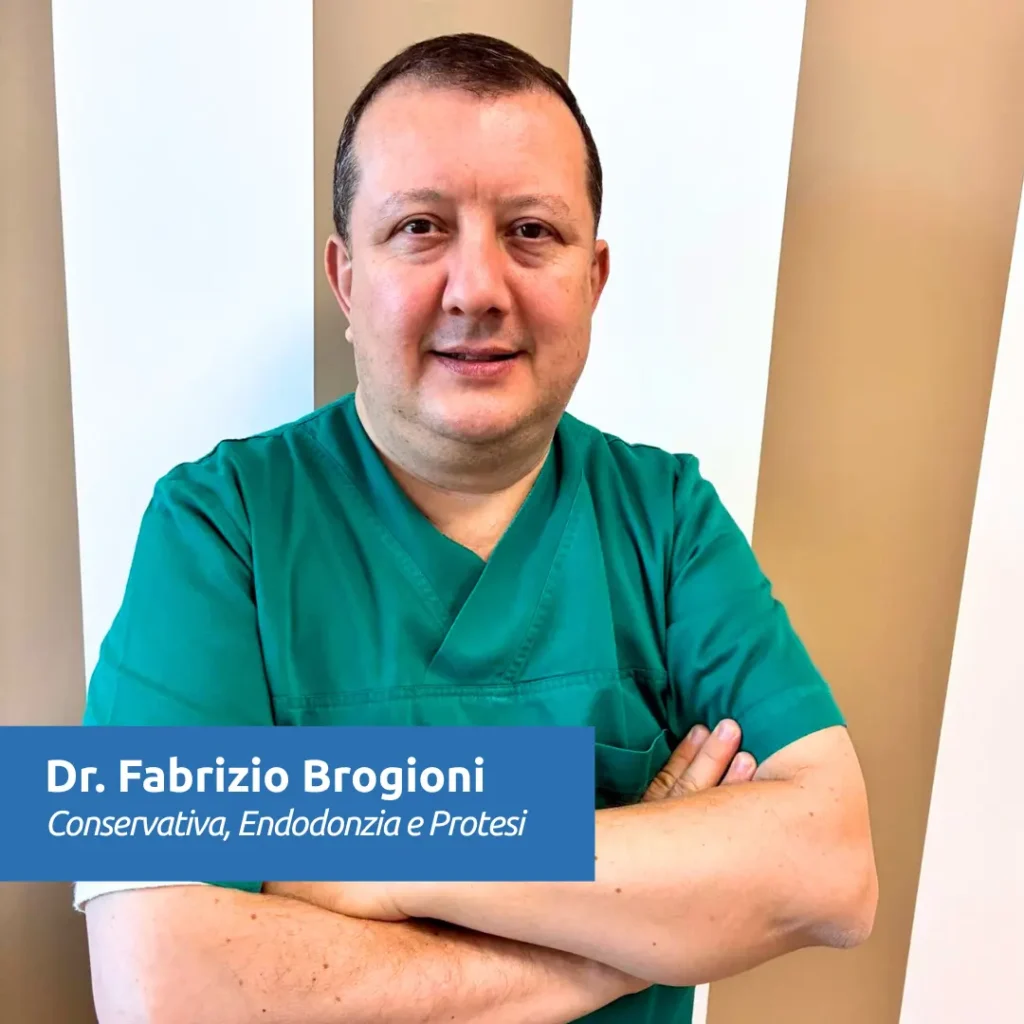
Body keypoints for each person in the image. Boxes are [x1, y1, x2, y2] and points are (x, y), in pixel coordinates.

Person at [78, 32, 877, 1024]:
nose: (477, 289)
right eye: (419, 227)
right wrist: (615, 944)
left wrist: (377, 855)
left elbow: (833, 868)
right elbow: (163, 993)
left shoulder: (668, 518)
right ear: (345, 278)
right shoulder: (214, 528)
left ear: (594, 278)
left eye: (531, 231)